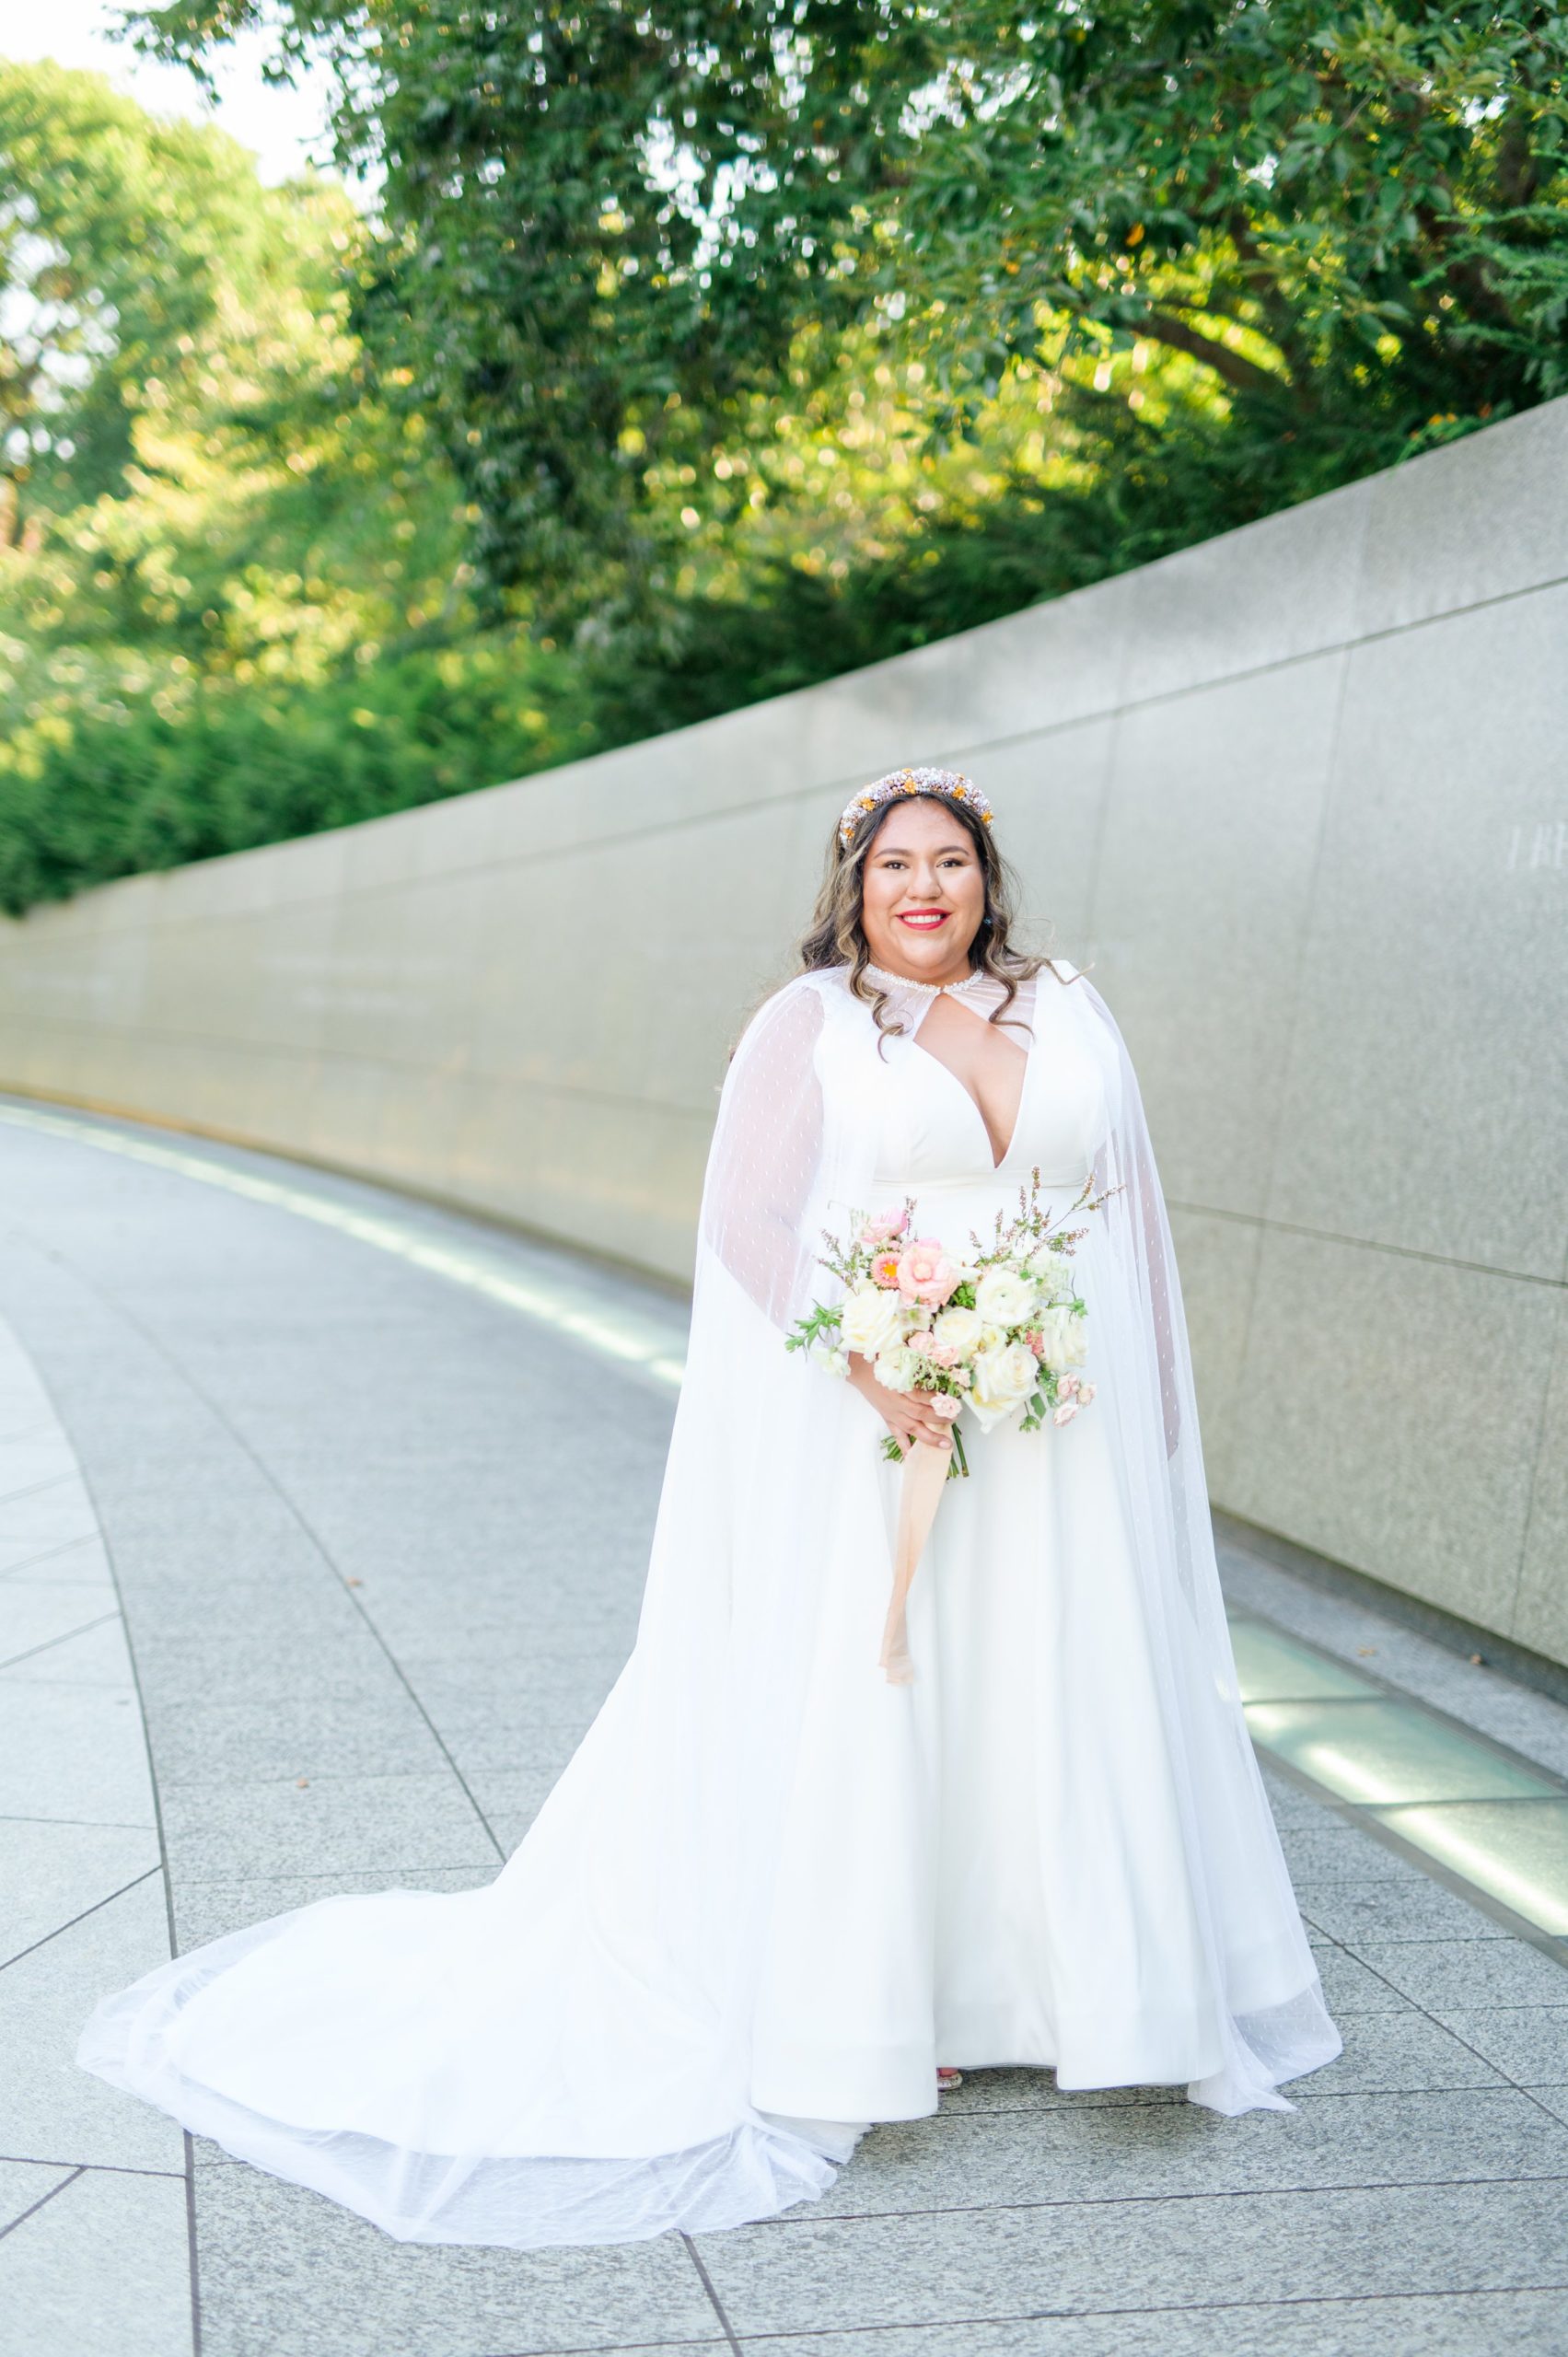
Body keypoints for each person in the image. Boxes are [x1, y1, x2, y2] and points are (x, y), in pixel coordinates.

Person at [80, 765, 1340, 2249]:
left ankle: (1076, 1986)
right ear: (853, 889)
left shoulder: (1067, 1003)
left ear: (990, 879)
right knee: (892, 1680)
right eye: (894, 868)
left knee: (1044, 1675)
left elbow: (1125, 1217)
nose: (923, 889)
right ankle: (879, 2000)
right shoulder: (811, 1026)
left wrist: (1152, 1421)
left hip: (1057, 1413)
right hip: (883, 1406)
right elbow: (748, 1226)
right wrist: (881, 1367)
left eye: (950, 863)